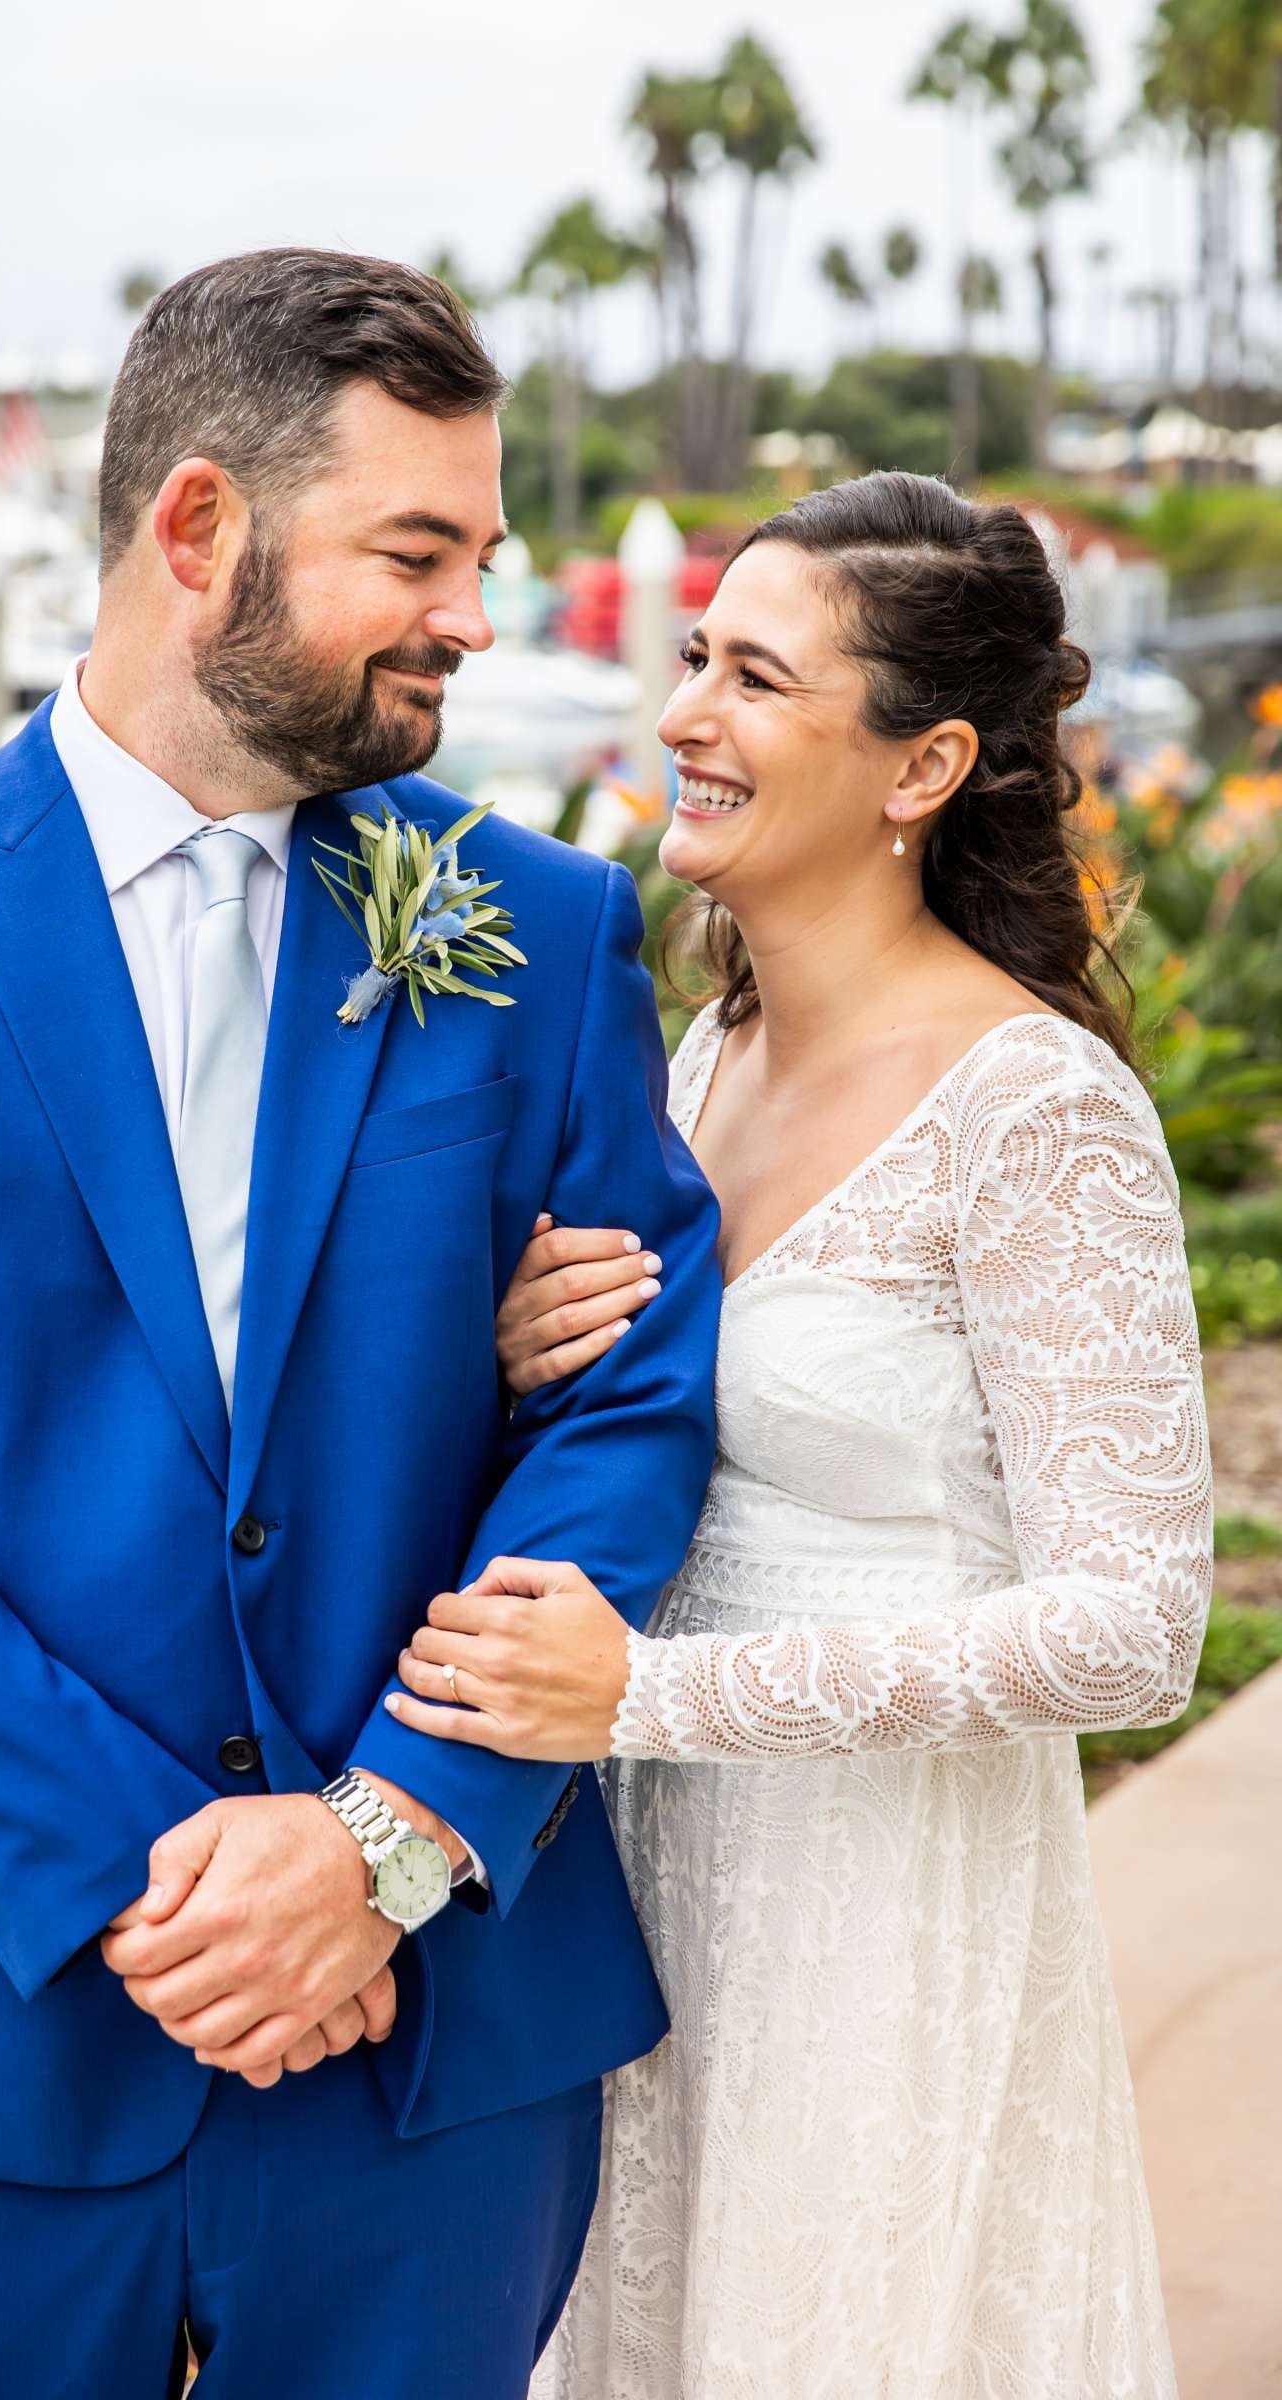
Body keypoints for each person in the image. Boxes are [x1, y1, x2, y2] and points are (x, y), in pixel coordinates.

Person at [0, 250, 723, 2399]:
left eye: (483, 556)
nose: (471, 615)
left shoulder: (536, 929)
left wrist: (386, 1836)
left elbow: (626, 1402)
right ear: (196, 529)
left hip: (428, 2052)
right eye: (413, 553)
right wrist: (149, 1868)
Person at [388, 472, 1214, 2400]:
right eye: (693, 658)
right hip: (649, 1910)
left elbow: (1136, 1629)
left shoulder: (1034, 1109)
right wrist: (526, 1361)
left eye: (755, 678)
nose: (682, 716)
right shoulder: (699, 1061)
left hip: (877, 1925)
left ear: (922, 763)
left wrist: (653, 1703)